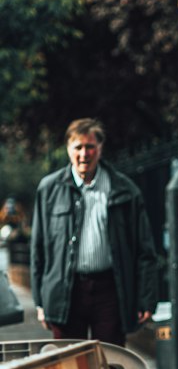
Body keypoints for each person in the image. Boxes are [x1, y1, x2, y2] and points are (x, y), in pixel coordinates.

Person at [31, 119, 158, 346]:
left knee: (109, 363)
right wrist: (40, 302)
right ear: (68, 149)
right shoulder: (49, 189)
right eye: (78, 147)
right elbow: (38, 249)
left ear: (100, 149)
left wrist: (146, 299)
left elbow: (144, 249)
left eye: (90, 147)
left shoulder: (124, 189)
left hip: (109, 291)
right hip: (64, 291)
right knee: (68, 367)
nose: (84, 154)